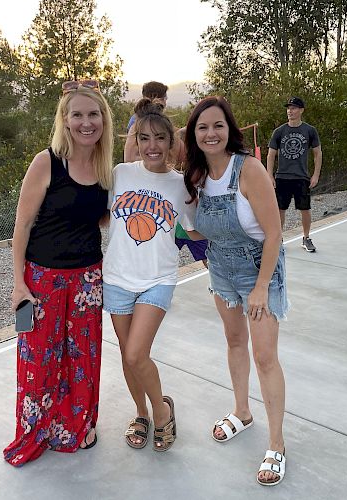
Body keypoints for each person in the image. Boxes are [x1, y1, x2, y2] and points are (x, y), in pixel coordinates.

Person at [3, 79, 113, 467]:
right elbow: (22, 225)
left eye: (93, 114)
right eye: (77, 114)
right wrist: (19, 284)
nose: (86, 122)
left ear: (104, 119)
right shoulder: (46, 162)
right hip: (43, 280)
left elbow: (99, 218)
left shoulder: (104, 168)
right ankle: (37, 429)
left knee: (83, 359)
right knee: (40, 361)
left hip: (87, 279)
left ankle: (80, 424)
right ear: (64, 121)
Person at [183, 96, 289, 486]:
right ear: (194, 135)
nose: (211, 133)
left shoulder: (249, 170)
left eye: (217, 126)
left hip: (258, 270)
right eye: (202, 127)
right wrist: (175, 217)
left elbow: (275, 232)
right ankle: (242, 412)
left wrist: (261, 286)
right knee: (233, 343)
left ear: (229, 129)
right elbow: (196, 231)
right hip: (221, 271)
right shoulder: (194, 177)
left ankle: (277, 444)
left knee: (264, 357)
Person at [103, 98, 199, 452]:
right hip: (117, 277)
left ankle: (162, 413)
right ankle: (141, 413)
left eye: (160, 138)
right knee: (129, 354)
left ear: (172, 143)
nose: (152, 146)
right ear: (136, 142)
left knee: (134, 354)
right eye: (145, 138)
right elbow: (94, 211)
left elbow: (194, 232)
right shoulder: (119, 174)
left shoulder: (182, 185)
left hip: (158, 279)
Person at [124, 82, 207, 267]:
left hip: (162, 196)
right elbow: (135, 159)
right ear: (159, 97)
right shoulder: (140, 124)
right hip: (158, 198)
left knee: (158, 255)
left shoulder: (137, 122)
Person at [266, 96, 322, 252]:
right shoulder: (279, 131)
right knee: (279, 209)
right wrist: (269, 175)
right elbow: (271, 155)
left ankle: (306, 238)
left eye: (293, 108)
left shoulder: (310, 131)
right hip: (282, 176)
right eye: (288, 108)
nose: (290, 111)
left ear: (301, 110)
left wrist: (315, 175)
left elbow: (317, 153)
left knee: (305, 209)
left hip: (301, 177)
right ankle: (278, 238)